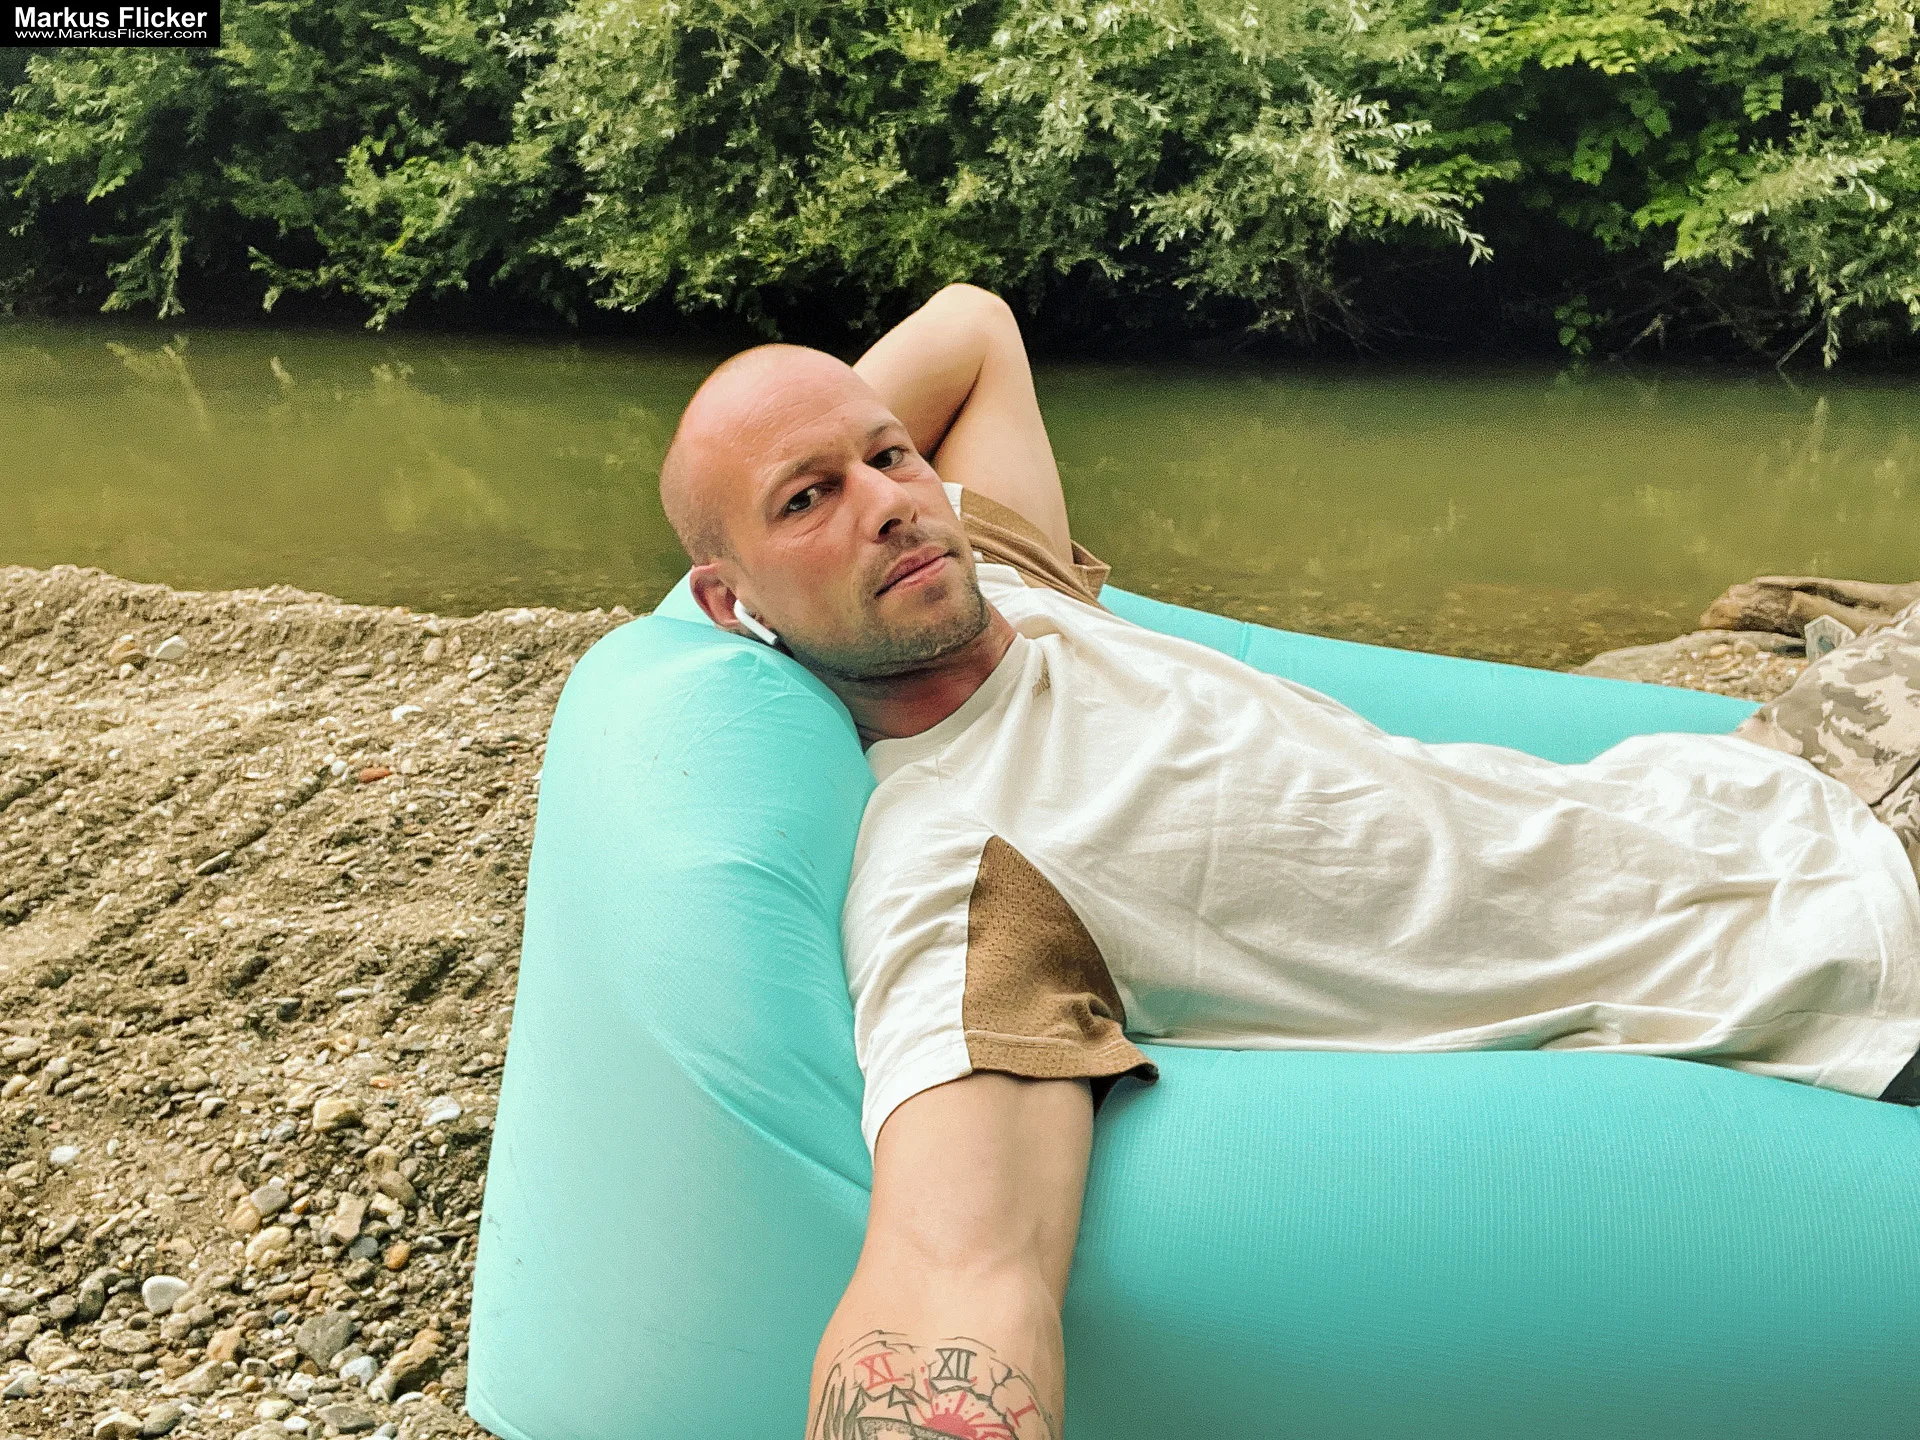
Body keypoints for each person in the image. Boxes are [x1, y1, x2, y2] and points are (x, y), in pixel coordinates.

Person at [656, 284, 1920, 1440]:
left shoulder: (1013, 591)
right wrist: (750, 553)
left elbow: (973, 327)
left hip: (1782, 768)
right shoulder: (963, 862)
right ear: (726, 602)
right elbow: (951, 1282)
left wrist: (800, 486)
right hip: (1853, 941)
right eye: (806, 501)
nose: (887, 502)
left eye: (890, 457)